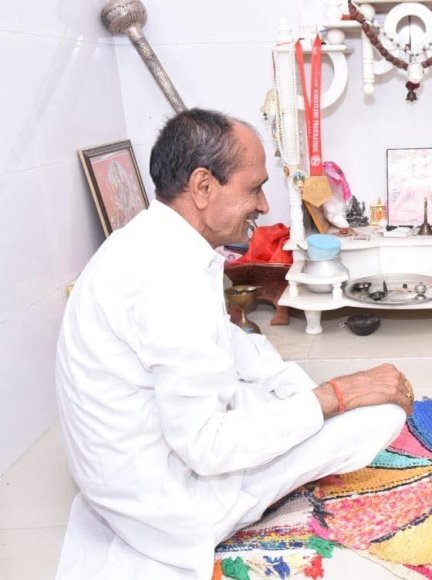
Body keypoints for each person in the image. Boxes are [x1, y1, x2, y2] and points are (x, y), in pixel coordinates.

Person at [55, 108, 413, 579]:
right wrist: (336, 397)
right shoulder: (166, 279)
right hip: (170, 507)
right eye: (254, 188)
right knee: (377, 418)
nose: (263, 205)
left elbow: (238, 348)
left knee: (281, 389)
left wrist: (311, 396)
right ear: (203, 186)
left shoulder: (152, 242)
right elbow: (207, 448)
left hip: (138, 467)